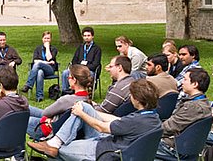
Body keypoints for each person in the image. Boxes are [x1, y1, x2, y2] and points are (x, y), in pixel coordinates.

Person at [28, 79, 162, 160]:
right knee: (84, 106)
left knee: (61, 149)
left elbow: (101, 127)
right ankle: (54, 142)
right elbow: (118, 120)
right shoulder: (152, 118)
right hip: (114, 145)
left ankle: (54, 144)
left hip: (104, 152)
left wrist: (82, 114)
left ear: (137, 99)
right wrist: (90, 111)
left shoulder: (136, 121)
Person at [155, 68, 212, 159]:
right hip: (186, 147)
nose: (182, 82)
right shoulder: (204, 102)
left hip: (174, 148)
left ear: (195, 84)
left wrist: (148, 132)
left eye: (185, 79)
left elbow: (169, 127)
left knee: (135, 144)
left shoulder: (193, 107)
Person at [27, 64, 93, 141]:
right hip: (57, 124)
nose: (68, 79)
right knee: (26, 108)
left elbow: (45, 113)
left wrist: (49, 117)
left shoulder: (67, 100)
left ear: (74, 80)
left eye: (69, 77)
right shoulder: (88, 100)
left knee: (22, 118)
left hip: (47, 130)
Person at [61, 27, 102, 94]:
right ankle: (66, 93)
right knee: (65, 72)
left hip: (90, 70)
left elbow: (95, 64)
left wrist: (83, 68)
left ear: (92, 36)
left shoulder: (97, 49)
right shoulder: (80, 47)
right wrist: (77, 68)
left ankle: (85, 93)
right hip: (78, 69)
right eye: (85, 36)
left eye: (88, 35)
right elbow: (74, 60)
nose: (86, 37)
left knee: (90, 74)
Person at [0, 31, 23, 96]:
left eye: (4, 40)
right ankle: (3, 90)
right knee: (0, 68)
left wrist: (14, 62)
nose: (2, 42)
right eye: (0, 40)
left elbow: (19, 60)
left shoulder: (11, 49)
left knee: (3, 69)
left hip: (8, 68)